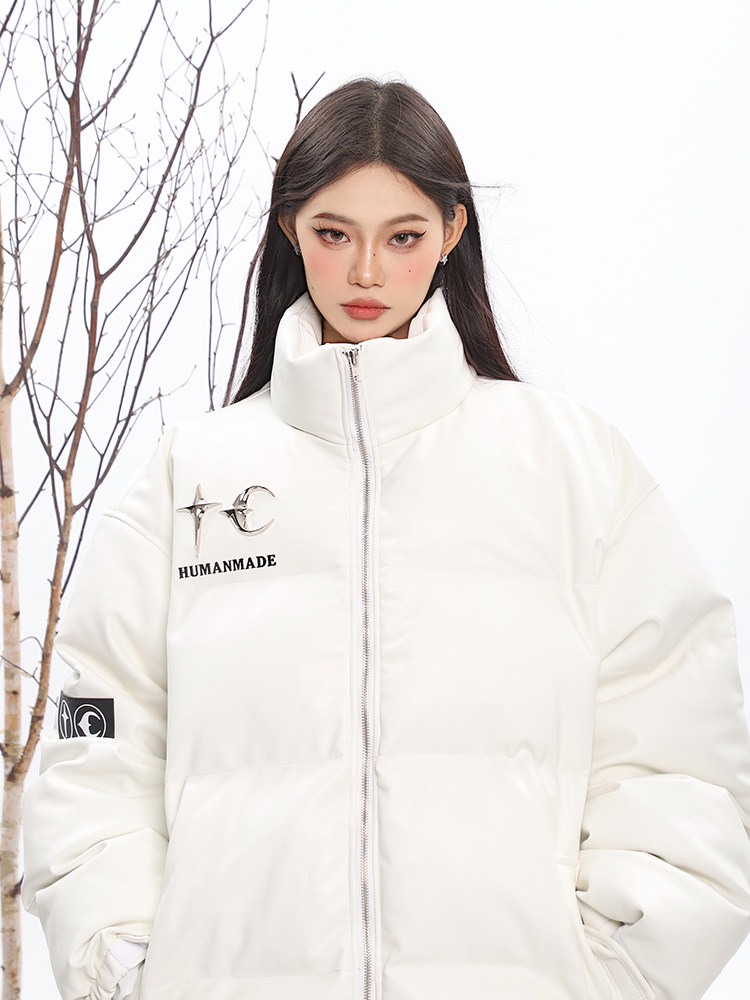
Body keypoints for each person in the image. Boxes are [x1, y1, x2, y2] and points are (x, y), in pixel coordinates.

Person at [22, 78, 750, 1000]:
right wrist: (123, 970)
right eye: (335, 233)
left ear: (451, 232)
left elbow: (679, 750)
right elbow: (96, 744)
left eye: (402, 237)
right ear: (291, 229)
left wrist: (611, 977)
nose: (366, 273)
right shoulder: (191, 477)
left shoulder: (572, 466)